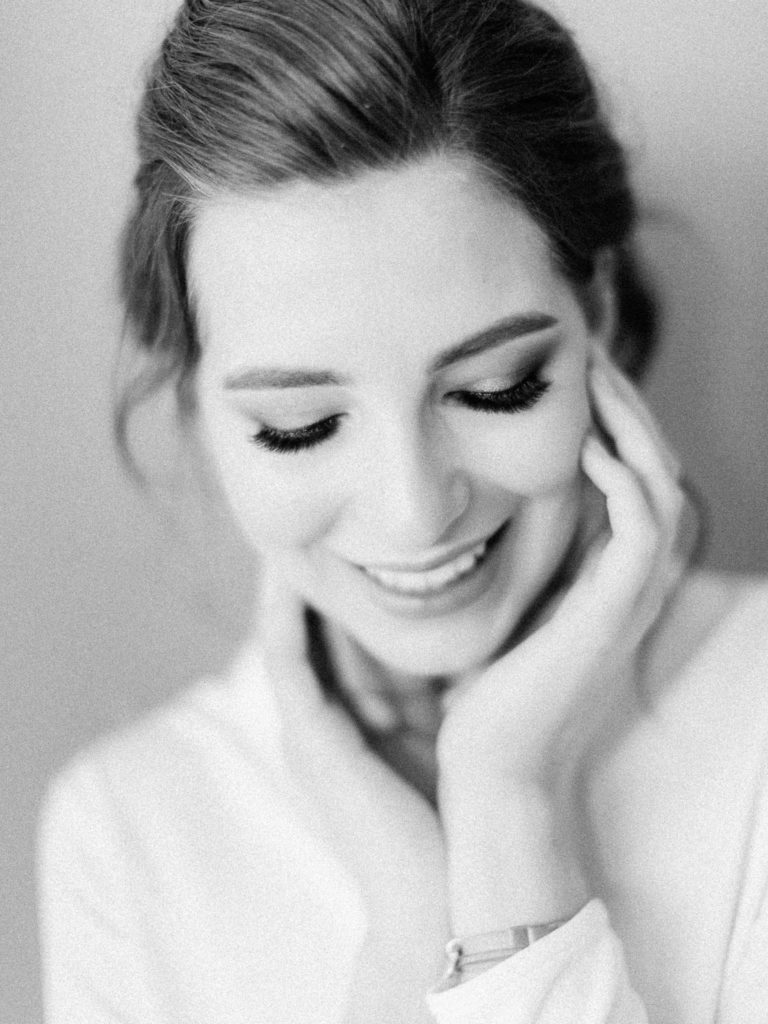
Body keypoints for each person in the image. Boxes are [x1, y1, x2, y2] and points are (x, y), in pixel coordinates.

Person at [37, 0, 768, 1021]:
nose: (416, 512)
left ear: (596, 317)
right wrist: (413, 931)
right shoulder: (128, 830)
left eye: (496, 389)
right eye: (299, 426)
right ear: (197, 409)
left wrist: (505, 804)